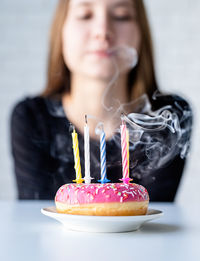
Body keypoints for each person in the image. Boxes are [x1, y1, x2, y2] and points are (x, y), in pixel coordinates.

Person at [11, 0, 192, 201]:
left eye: (121, 16)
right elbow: (33, 217)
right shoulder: (32, 117)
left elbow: (155, 214)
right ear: (61, 31)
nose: (103, 31)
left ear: (141, 32)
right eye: (85, 15)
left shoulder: (169, 117)